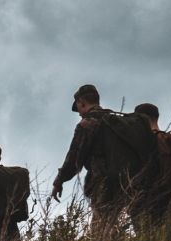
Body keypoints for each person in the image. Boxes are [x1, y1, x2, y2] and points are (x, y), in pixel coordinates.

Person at [51, 85, 136, 233]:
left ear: (82, 102)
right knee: (120, 223)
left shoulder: (87, 124)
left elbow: (74, 159)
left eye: (78, 108)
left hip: (102, 182)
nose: (79, 114)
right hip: (126, 179)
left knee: (101, 228)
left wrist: (59, 180)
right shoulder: (116, 120)